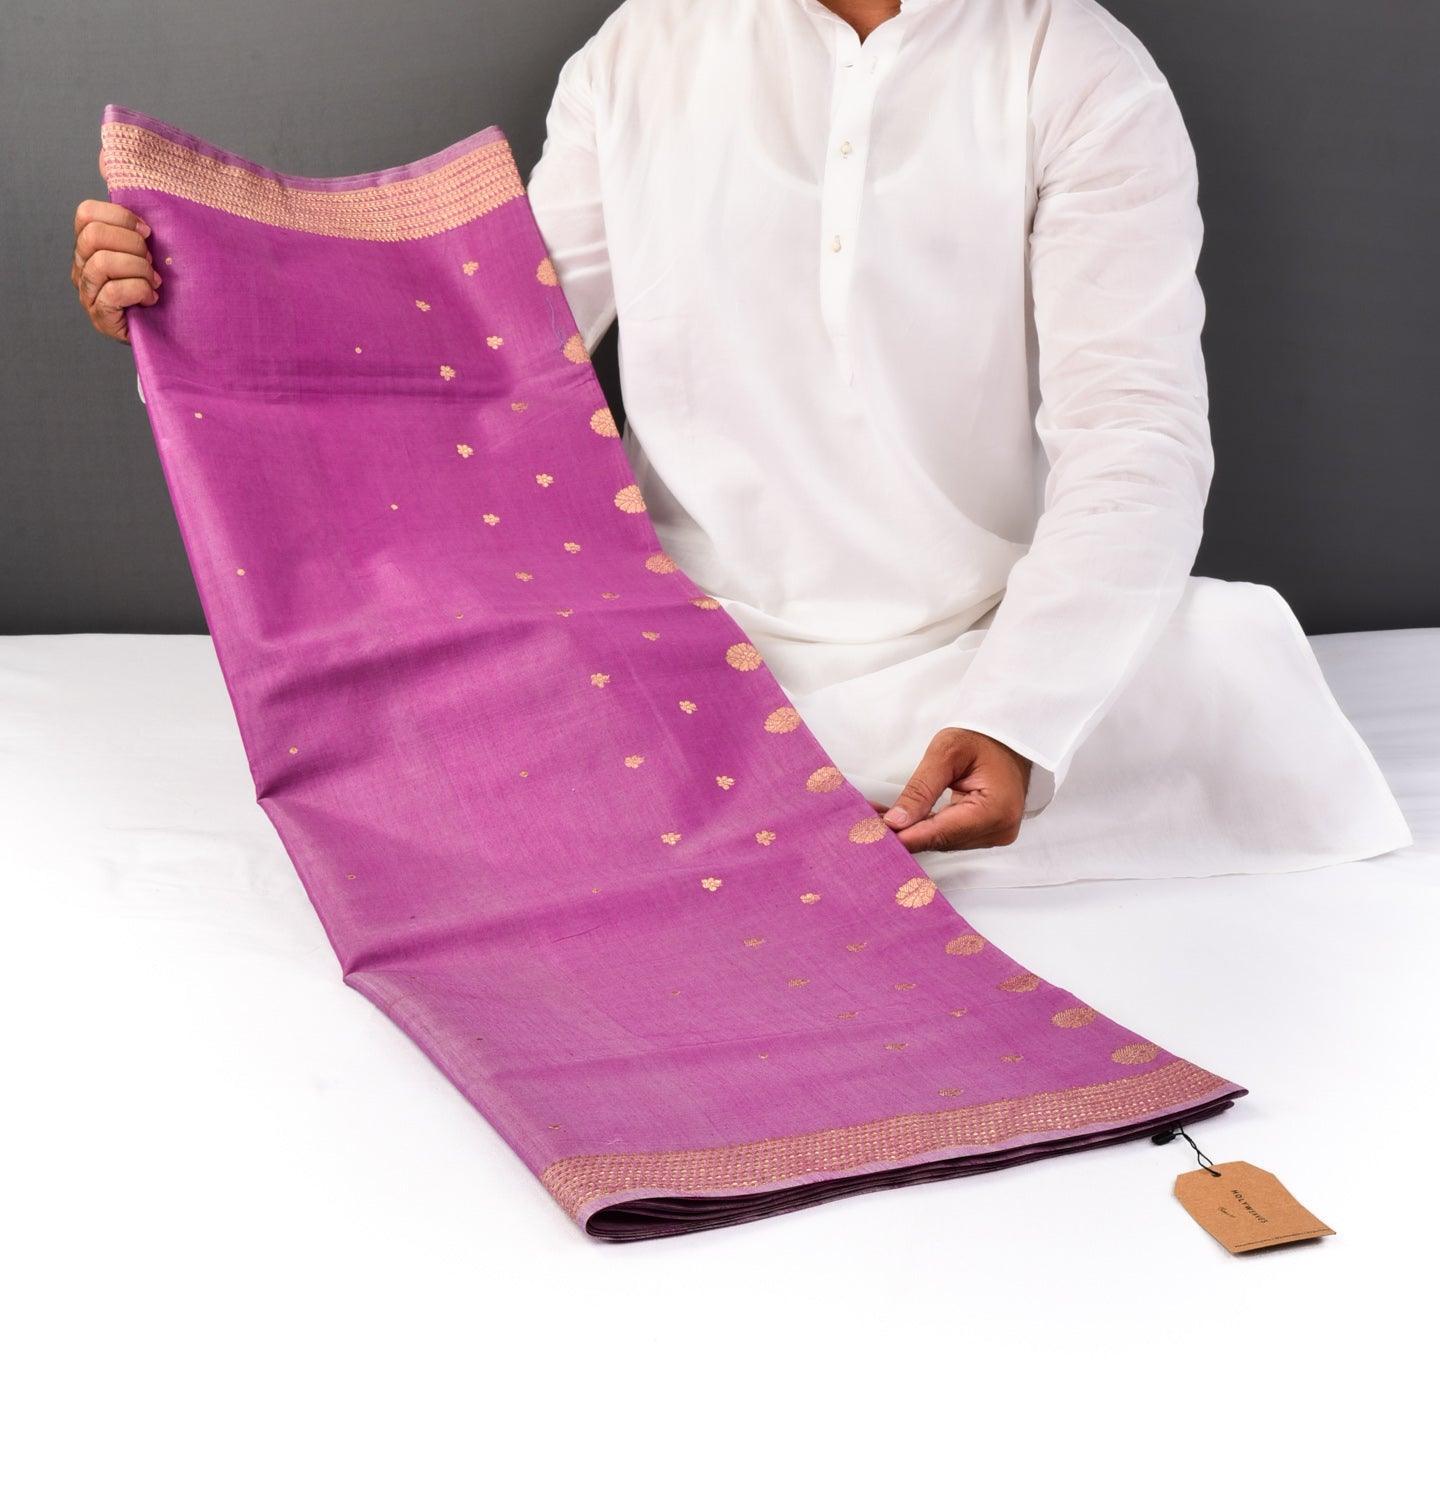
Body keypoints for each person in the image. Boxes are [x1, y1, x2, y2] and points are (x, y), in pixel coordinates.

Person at [72, 0, 1412, 888]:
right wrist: (192, 315)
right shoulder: (642, 49)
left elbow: (1138, 436)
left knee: (1220, 669)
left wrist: (1017, 716)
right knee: (454, 714)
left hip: (982, 643)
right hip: (690, 646)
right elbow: (479, 359)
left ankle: (894, 775)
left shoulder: (1077, 68)